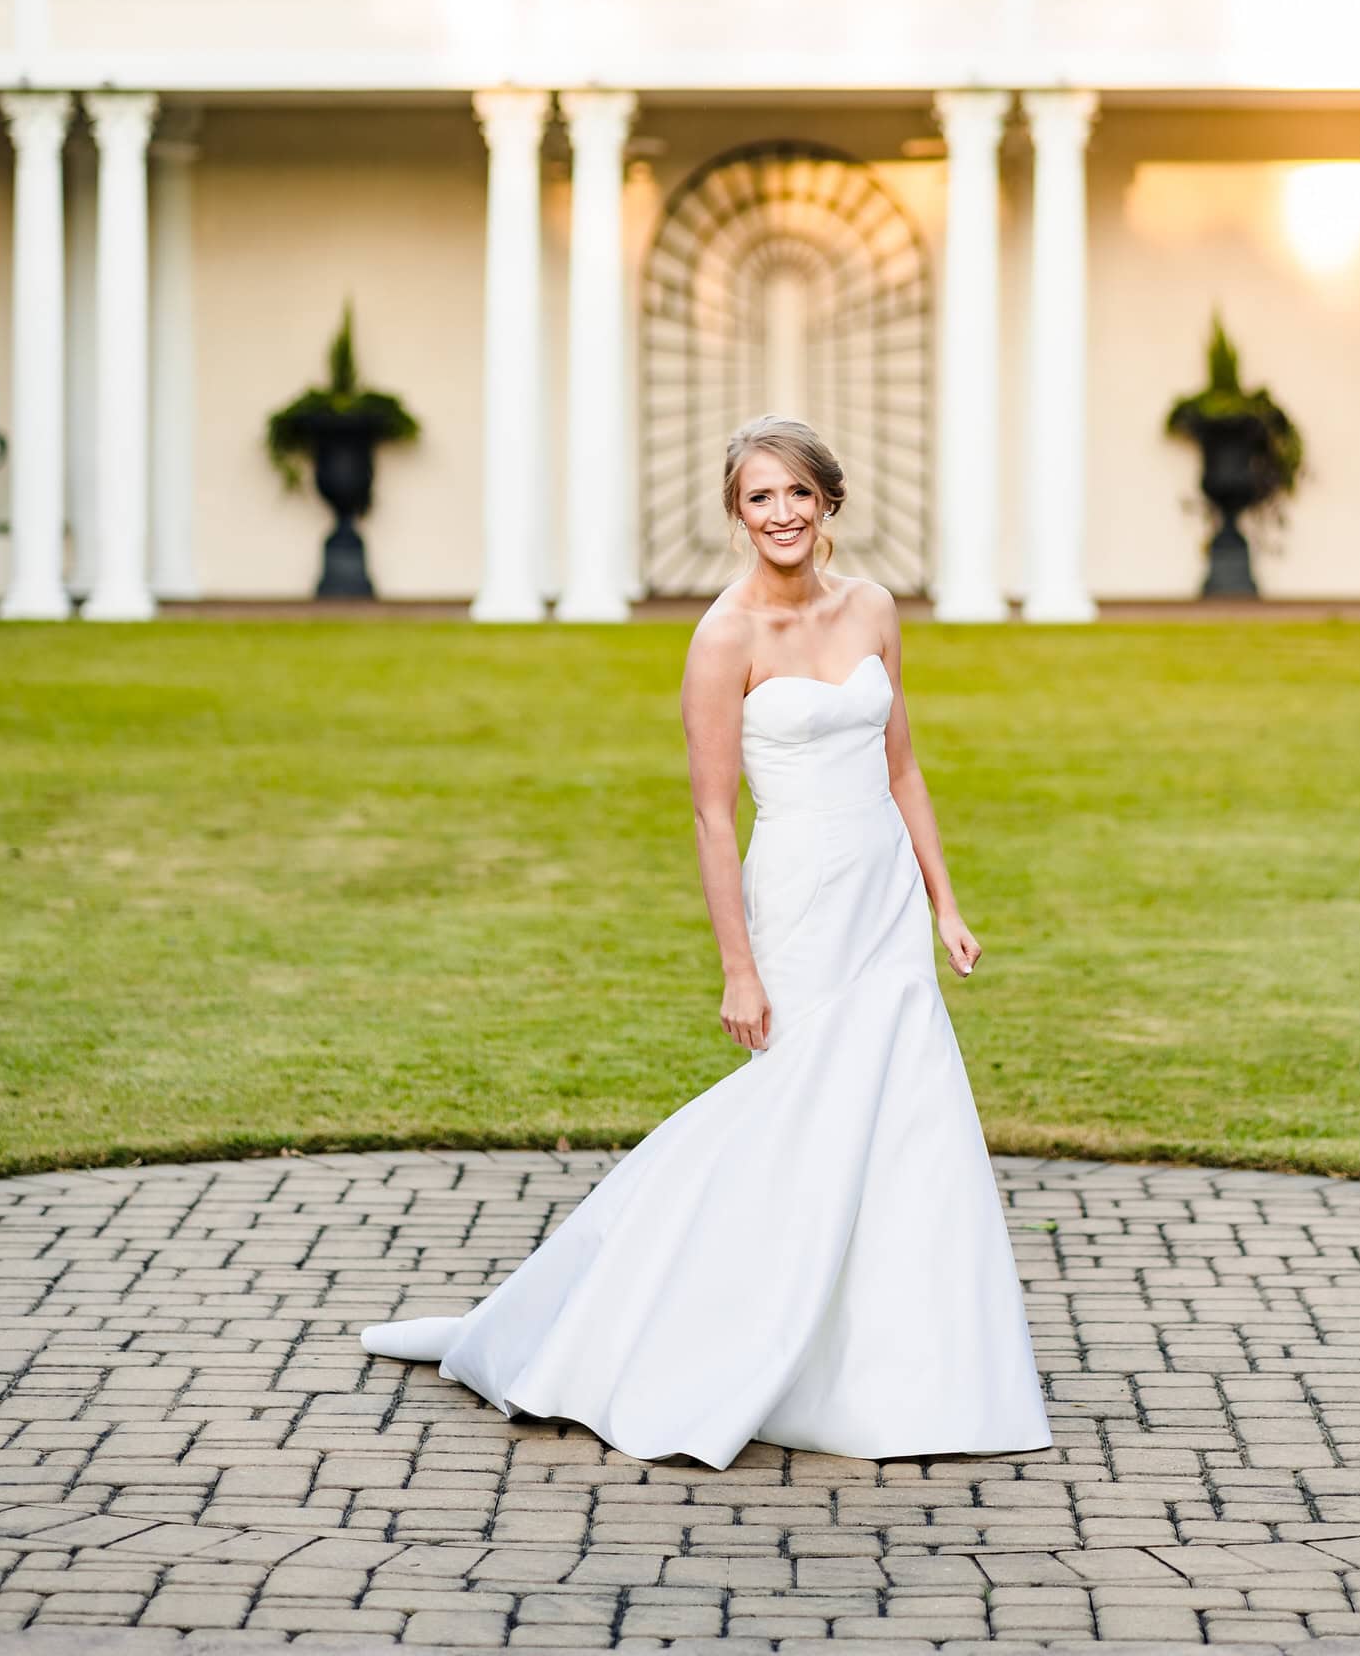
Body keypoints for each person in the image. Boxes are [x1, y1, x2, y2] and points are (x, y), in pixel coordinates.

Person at [359, 413, 1052, 1468]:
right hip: (801, 896)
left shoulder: (872, 609)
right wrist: (739, 967)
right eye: (759, 497)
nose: (781, 513)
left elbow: (903, 765)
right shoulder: (723, 638)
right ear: (737, 513)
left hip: (882, 894)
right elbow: (712, 817)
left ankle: (903, 1366)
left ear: (828, 501)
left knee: (901, 1108)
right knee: (794, 1107)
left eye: (797, 493)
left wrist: (943, 903)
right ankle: (613, 1318)